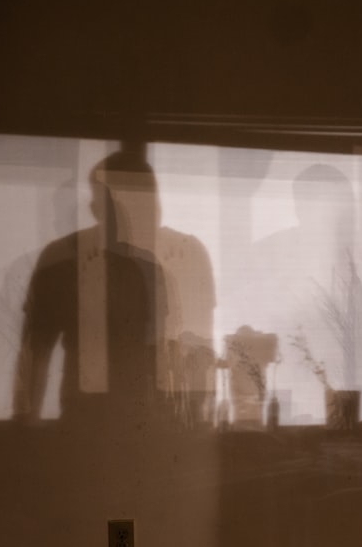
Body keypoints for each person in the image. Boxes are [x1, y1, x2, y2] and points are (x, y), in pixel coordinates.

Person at [12, 149, 215, 427]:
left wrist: (198, 421)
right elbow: (35, 352)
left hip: (146, 423)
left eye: (146, 204)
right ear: (97, 209)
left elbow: (193, 349)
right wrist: (25, 421)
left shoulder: (177, 258)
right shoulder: (63, 259)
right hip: (93, 423)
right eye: (123, 205)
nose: (141, 216)